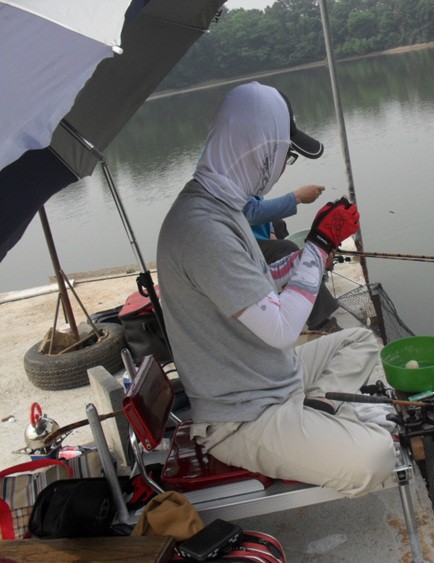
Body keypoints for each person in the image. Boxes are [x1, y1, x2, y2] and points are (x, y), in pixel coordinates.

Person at [156, 82, 396, 497]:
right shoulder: (202, 228)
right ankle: (321, 416)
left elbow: (262, 285)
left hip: (275, 374)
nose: (284, 167)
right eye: (286, 155)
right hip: (243, 415)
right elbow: (282, 329)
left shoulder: (222, 206)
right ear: (263, 151)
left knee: (358, 340)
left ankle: (318, 403)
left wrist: (314, 253)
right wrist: (317, 247)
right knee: (377, 457)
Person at [243, 188, 342, 333]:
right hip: (240, 242)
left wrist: (271, 232)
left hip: (253, 232)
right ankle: (321, 322)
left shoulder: (249, 183)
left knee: (278, 224)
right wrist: (297, 197)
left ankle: (296, 283)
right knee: (286, 248)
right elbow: (251, 212)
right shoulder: (227, 182)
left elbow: (259, 201)